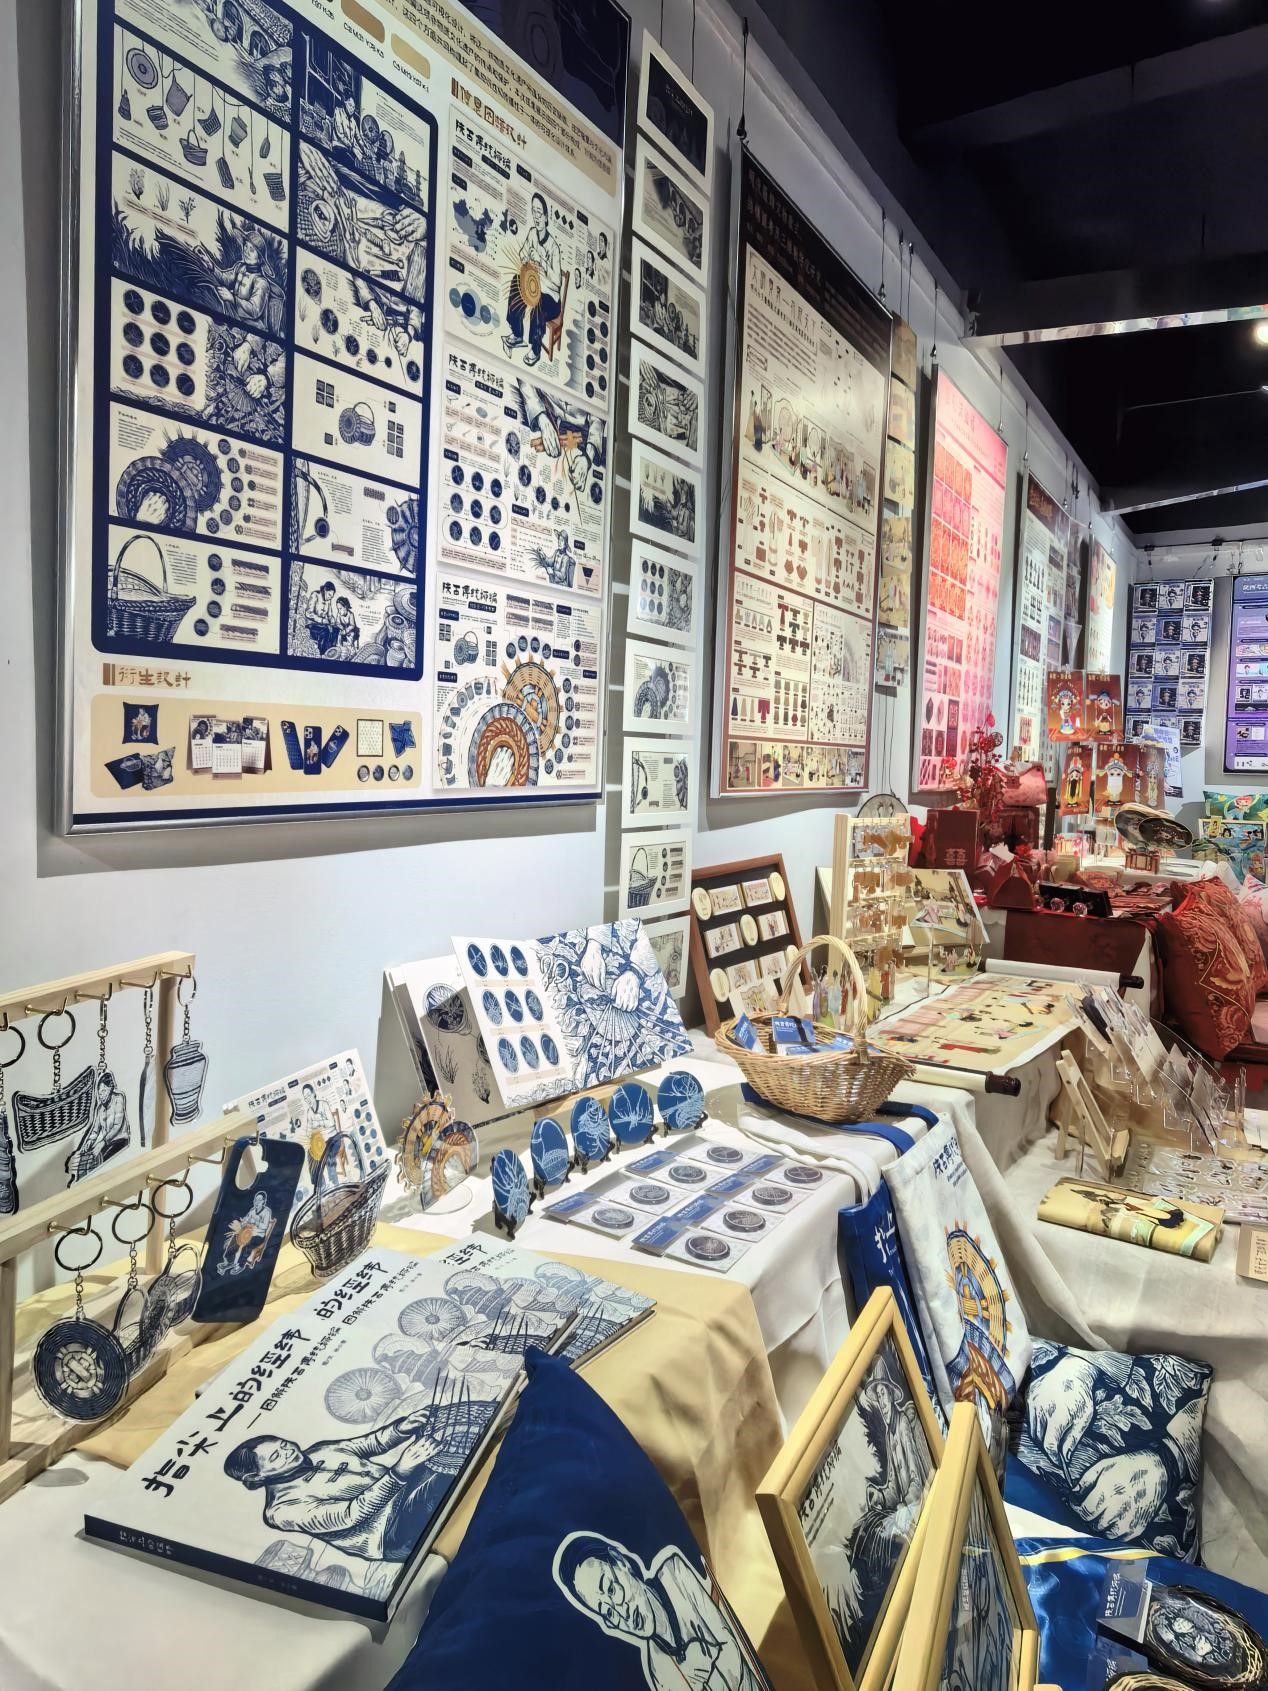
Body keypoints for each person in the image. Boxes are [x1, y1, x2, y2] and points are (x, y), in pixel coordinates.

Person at [223, 1413, 449, 1563]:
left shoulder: (319, 1450)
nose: (288, 1451)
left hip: (406, 1490)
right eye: (276, 1456)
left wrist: (401, 1428)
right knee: (443, 1480)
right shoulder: (281, 1510)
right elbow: (351, 1515)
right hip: (389, 1532)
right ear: (256, 1476)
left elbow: (370, 1443)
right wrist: (400, 1470)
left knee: (446, 1450)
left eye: (284, 1444)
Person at [553, 1532, 767, 1690]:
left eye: (611, 1589)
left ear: (620, 1562)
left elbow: (733, 1649)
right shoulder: (657, 1669)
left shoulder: (675, 1574)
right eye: (608, 1613)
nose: (622, 1613)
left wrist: (703, 1663)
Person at [503, 191, 563, 367]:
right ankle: (517, 333)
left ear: (546, 217)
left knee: (539, 302)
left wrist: (542, 262)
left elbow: (558, 281)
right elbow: (522, 253)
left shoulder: (553, 247)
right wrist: (527, 256)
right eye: (533, 211)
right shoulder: (531, 233)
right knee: (516, 281)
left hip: (551, 299)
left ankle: (536, 349)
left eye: (539, 212)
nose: (536, 216)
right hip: (534, 287)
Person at [66, 1069, 130, 1183]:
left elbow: (117, 1126)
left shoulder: (118, 1098)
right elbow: (95, 1131)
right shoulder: (100, 1109)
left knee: (98, 1159)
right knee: (85, 1158)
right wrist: (88, 1143)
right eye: (99, 1093)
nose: (101, 1095)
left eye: (104, 1091)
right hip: (106, 1143)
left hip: (120, 1140)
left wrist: (102, 1143)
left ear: (110, 1088)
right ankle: (78, 1183)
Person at [306, 581, 338, 654]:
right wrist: (322, 620)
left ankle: (330, 653)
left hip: (322, 625)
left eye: (331, 597)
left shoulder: (328, 601)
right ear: (325, 590)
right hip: (311, 624)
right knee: (325, 631)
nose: (330, 598)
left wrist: (332, 620)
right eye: (329, 595)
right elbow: (308, 613)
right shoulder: (315, 595)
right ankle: (321, 653)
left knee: (336, 630)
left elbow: (330, 615)